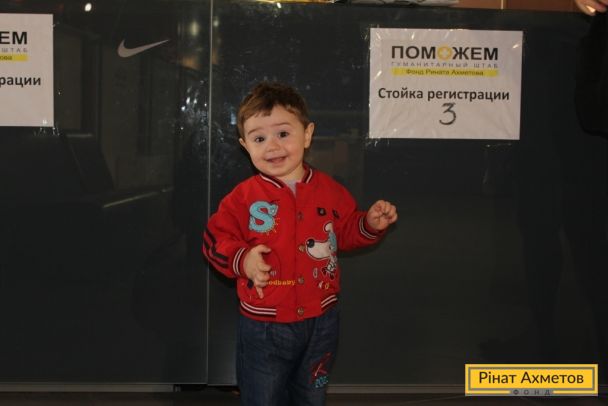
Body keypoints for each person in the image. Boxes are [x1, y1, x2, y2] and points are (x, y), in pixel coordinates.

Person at [202, 82, 397, 406]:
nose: (272, 146)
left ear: (307, 135)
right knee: (263, 397)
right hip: (264, 323)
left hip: (322, 320)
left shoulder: (329, 190)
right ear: (245, 146)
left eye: (283, 133)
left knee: (311, 394)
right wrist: (243, 260)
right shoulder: (243, 198)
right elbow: (214, 239)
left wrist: (369, 224)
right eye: (259, 138)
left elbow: (344, 232)